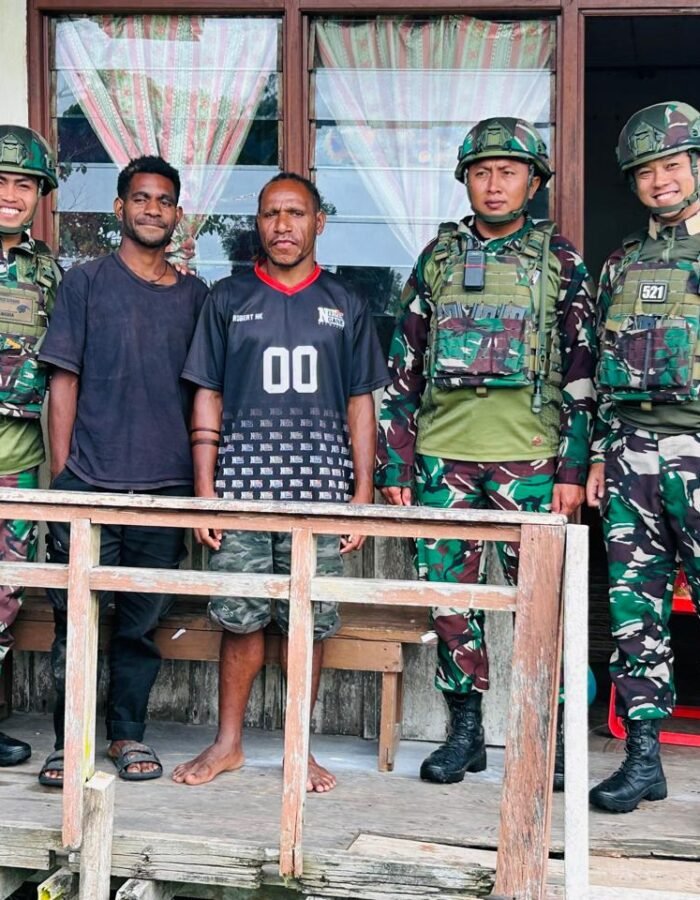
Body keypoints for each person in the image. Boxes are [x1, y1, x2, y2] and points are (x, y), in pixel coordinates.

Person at [375, 118, 597, 786]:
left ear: (534, 181)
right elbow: (403, 366)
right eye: (481, 172)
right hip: (443, 458)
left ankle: (550, 737)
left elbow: (583, 370)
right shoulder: (438, 258)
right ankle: (465, 732)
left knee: (544, 605)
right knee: (451, 601)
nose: (494, 184)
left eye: (508, 171)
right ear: (465, 181)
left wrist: (573, 466)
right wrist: (396, 460)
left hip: (531, 458)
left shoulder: (561, 261)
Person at [172, 172, 389, 791]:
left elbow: (360, 402)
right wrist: (205, 493)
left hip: (321, 494)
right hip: (241, 491)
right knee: (239, 617)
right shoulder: (228, 298)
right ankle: (229, 743)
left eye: (296, 213)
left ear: (319, 222)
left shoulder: (345, 301)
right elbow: (208, 394)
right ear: (258, 224)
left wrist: (361, 495)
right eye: (271, 214)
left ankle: (299, 747)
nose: (283, 225)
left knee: (309, 623)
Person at [37, 155, 208, 786]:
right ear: (119, 208)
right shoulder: (84, 284)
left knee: (139, 626)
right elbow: (63, 382)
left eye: (163, 201)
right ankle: (70, 741)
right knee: (75, 623)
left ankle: (127, 735)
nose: (152, 210)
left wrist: (199, 490)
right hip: (88, 483)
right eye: (141, 198)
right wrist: (65, 480)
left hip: (165, 489)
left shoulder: (195, 297)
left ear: (177, 214)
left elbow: (206, 394)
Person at [587, 101, 700, 813]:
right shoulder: (622, 263)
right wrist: (601, 453)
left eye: (672, 165)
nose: (660, 180)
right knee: (636, 610)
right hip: (631, 453)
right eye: (646, 171)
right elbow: (601, 367)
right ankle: (643, 761)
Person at [0, 125, 61, 768]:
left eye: (24, 184)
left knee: (5, 592)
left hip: (14, 460)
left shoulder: (47, 271)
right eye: (0, 180)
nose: (11, 195)